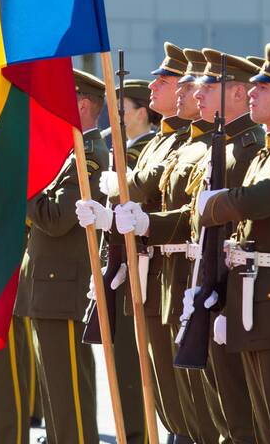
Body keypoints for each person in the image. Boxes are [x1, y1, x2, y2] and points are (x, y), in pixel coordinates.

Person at [192, 44, 270, 444]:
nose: (252, 92)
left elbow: (261, 199)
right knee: (263, 422)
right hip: (250, 296)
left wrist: (212, 205)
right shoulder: (269, 153)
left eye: (263, 87)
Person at [90, 43, 193, 444]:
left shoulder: (183, 142)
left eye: (166, 81)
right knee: (164, 387)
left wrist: (118, 190)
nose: (156, 86)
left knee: (187, 394)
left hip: (175, 272)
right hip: (149, 271)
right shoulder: (162, 142)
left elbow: (145, 187)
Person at [15, 69, 108, 444]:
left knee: (68, 385)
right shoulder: (69, 151)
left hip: (64, 288)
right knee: (55, 386)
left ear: (82, 104)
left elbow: (55, 220)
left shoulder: (89, 156)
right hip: (48, 287)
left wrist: (21, 184)